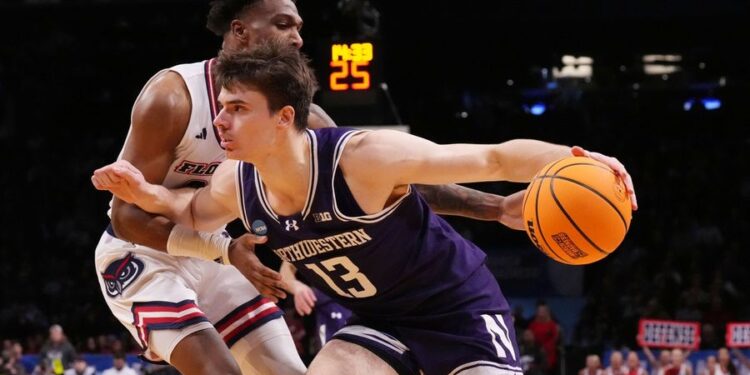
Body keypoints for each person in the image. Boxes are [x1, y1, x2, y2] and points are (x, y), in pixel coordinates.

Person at [92, 40, 637, 374]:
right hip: (378, 321)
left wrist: (579, 159)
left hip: (456, 310)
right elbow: (187, 213)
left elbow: (493, 158)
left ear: (283, 118)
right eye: (223, 107)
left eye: (238, 109)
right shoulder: (238, 181)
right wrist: (142, 191)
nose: (223, 122)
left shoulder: (364, 157)